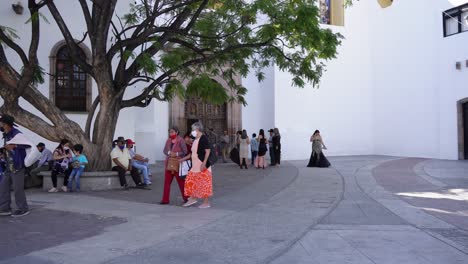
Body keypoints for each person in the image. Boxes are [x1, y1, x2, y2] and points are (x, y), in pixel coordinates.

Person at [0, 115, 30, 217]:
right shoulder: (6, 134)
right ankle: (5, 208)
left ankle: (23, 208)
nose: (0, 125)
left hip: (17, 165)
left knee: (18, 188)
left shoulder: (17, 134)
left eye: (2, 123)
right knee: (3, 186)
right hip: (9, 165)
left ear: (7, 124)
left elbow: (27, 144)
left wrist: (15, 146)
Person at [183, 122, 213, 209]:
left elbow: (208, 151)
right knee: (190, 181)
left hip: (202, 165)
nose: (192, 131)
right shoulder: (196, 139)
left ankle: (206, 203)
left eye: (193, 130)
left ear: (197, 129)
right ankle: (192, 198)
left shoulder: (204, 138)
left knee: (204, 184)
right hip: (195, 166)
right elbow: (193, 152)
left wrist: (204, 163)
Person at [160, 126, 188, 205]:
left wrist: (176, 154)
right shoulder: (168, 140)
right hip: (169, 164)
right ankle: (165, 200)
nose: (171, 133)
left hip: (177, 163)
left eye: (172, 132)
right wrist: (169, 153)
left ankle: (186, 198)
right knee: (167, 182)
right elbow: (165, 150)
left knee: (181, 181)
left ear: (177, 132)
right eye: (170, 132)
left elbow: (185, 151)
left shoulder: (181, 140)